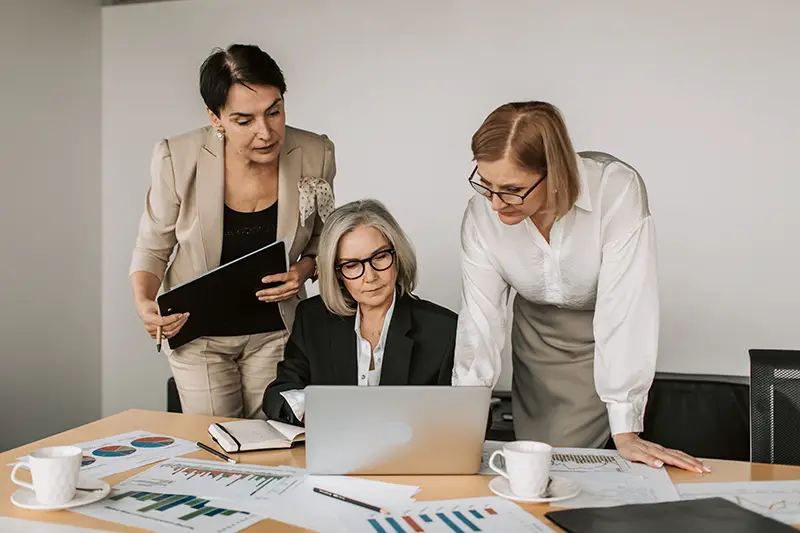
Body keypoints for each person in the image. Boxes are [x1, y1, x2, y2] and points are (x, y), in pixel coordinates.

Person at [453, 101, 708, 473]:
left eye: (511, 189)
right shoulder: (481, 215)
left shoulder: (615, 190)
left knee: (580, 466)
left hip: (601, 336)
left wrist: (626, 427)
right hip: (537, 342)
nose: (494, 203)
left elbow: (625, 309)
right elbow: (480, 322)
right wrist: (463, 423)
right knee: (540, 462)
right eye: (485, 184)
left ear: (553, 172)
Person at [129, 44, 336, 419]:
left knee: (275, 440)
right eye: (244, 120)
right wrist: (145, 303)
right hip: (198, 333)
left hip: (276, 330)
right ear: (215, 116)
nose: (266, 132)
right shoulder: (177, 157)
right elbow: (153, 246)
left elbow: (324, 241)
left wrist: (302, 272)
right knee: (218, 441)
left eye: (274, 112)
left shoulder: (315, 151)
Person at [263, 199, 457, 425]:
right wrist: (312, 407)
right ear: (337, 273)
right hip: (332, 454)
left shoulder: (444, 329)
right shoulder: (313, 317)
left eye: (380, 257)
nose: (370, 276)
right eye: (352, 265)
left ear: (398, 256)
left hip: (409, 456)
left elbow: (468, 416)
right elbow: (279, 393)